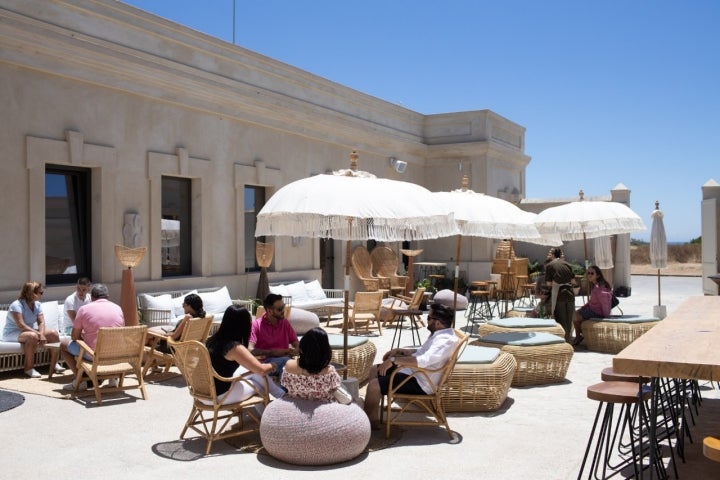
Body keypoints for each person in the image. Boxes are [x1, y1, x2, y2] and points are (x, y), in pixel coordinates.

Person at [363, 303, 458, 429]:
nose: (427, 320)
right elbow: (424, 352)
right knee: (376, 369)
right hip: (415, 373)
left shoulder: (444, 341)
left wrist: (393, 360)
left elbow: (423, 360)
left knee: (374, 385)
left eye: (429, 318)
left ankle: (367, 424)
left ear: (438, 323)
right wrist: (404, 351)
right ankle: (373, 417)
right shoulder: (440, 335)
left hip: (421, 382)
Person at [206, 304, 285, 402]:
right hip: (220, 396)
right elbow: (262, 370)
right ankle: (281, 401)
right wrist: (274, 365)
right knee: (260, 383)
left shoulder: (212, 340)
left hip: (204, 392)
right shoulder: (234, 347)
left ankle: (281, 396)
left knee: (253, 371)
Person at [61, 284, 124, 391]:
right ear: (107, 297)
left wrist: (85, 335)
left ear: (92, 297)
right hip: (115, 353)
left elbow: (74, 337)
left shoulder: (84, 309)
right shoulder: (118, 308)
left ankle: (81, 380)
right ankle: (112, 378)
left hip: (94, 355)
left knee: (63, 345)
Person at [2, 281, 60, 378]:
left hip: (29, 330)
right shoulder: (16, 305)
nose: (42, 294)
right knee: (32, 336)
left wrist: (41, 334)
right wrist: (39, 335)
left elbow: (41, 322)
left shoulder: (37, 304)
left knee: (53, 333)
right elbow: (21, 325)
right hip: (13, 333)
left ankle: (55, 364)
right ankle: (28, 368)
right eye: (40, 293)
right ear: (32, 293)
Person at [281, 327, 342, 403]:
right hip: (323, 410)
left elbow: (284, 385)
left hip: (297, 407)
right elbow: (336, 391)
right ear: (325, 350)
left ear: (303, 345)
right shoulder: (330, 372)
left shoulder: (289, 366)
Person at [248, 293, 299, 378]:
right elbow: (250, 350)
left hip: (285, 361)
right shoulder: (256, 325)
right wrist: (273, 352)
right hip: (266, 364)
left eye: (283, 307)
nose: (283, 311)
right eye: (279, 309)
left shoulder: (285, 323)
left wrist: (296, 349)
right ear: (269, 311)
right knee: (288, 364)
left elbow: (296, 342)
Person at [572, 265, 613, 346]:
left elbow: (605, 303)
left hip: (597, 312)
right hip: (593, 309)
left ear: (597, 275)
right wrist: (583, 307)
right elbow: (592, 301)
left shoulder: (599, 287)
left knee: (575, 316)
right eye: (588, 273)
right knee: (577, 315)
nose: (589, 275)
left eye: (592, 273)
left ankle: (578, 336)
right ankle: (581, 335)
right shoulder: (596, 285)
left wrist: (606, 317)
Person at [544, 247, 576, 342]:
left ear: (553, 255)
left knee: (560, 318)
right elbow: (573, 281)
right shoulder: (568, 265)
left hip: (559, 294)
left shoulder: (550, 265)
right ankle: (569, 338)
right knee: (569, 318)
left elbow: (549, 284)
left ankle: (564, 341)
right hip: (570, 293)